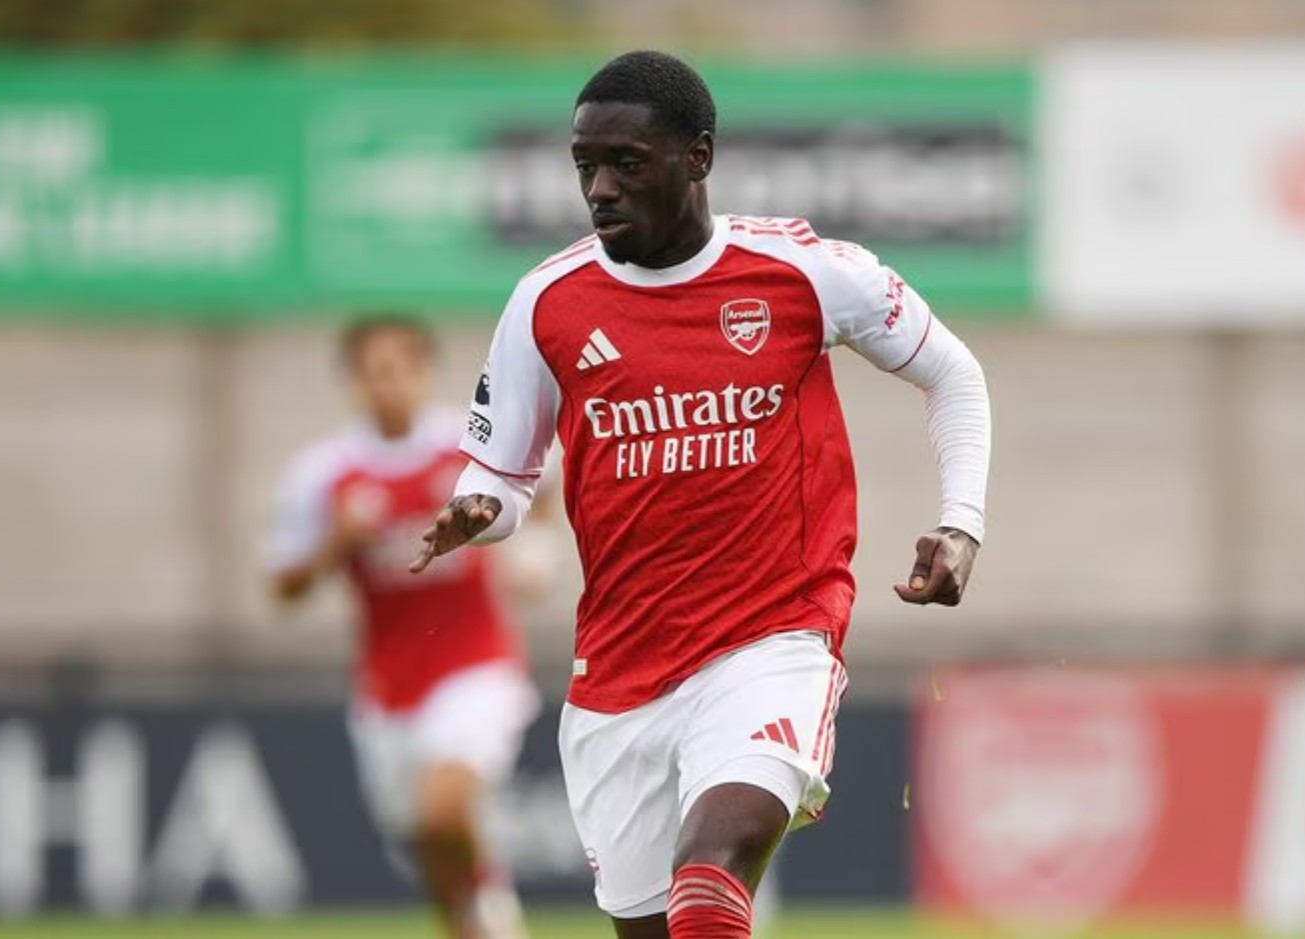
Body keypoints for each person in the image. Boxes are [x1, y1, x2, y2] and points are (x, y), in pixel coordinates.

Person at [412, 51, 992, 939]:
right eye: (584, 167)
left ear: (698, 157)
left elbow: (952, 373)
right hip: (619, 673)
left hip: (773, 637)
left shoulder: (802, 272)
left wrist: (961, 523)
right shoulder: (545, 303)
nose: (599, 189)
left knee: (709, 871)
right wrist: (480, 509)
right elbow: (503, 475)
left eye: (626, 164)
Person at [267, 314, 539, 939]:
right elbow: (283, 586)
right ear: (353, 382)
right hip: (387, 691)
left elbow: (542, 484)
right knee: (430, 850)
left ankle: (492, 900)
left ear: (424, 372)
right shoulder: (324, 473)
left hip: (475, 665)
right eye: (373, 373)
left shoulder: (466, 449)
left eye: (400, 369)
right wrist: (336, 543)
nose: (388, 385)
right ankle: (479, 917)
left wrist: (534, 554)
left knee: (444, 811)